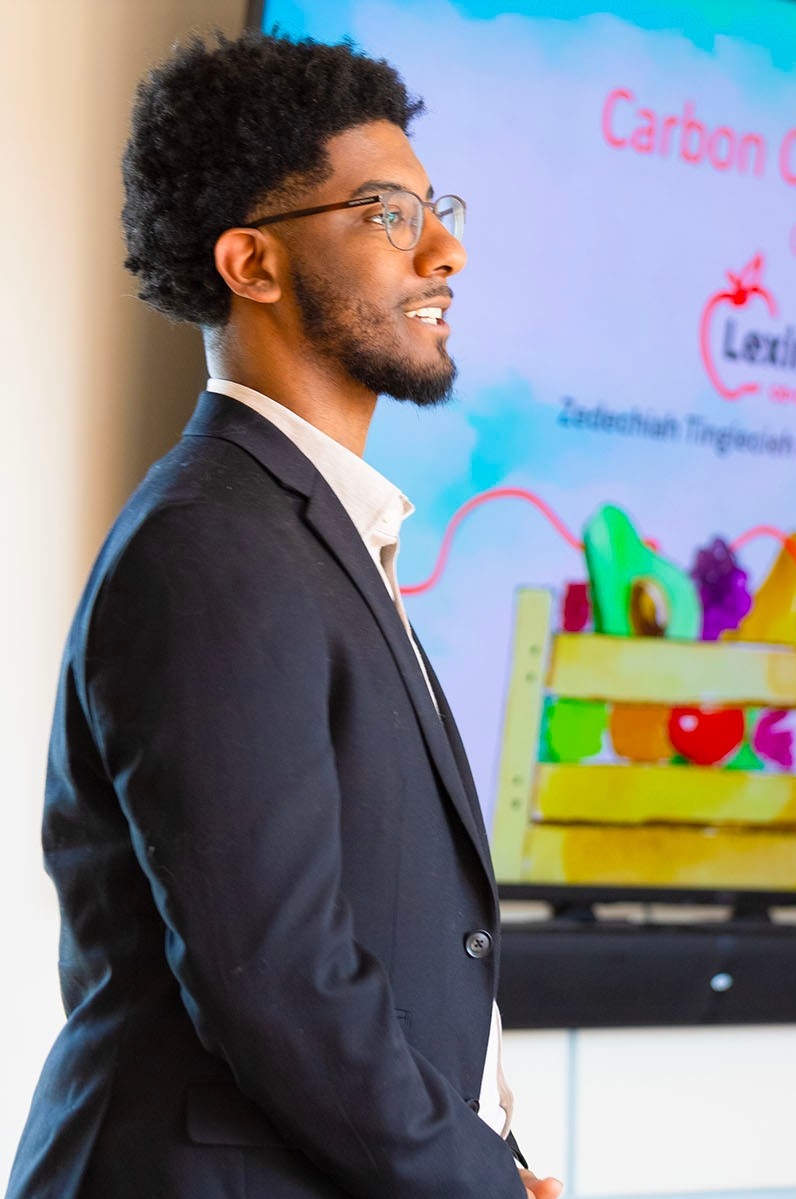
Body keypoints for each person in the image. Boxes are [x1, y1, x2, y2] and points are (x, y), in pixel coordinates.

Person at [6, 32, 561, 1199]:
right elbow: (278, 973)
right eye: (389, 213)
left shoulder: (296, 526)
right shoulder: (213, 540)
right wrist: (476, 1181)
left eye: (435, 208)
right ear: (251, 263)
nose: (447, 249)